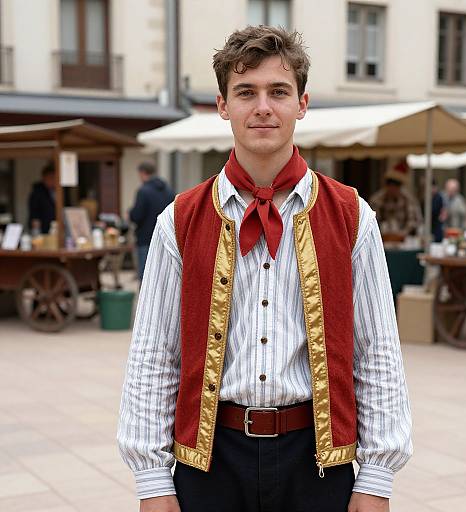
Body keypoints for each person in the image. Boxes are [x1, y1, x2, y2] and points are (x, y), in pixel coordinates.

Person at [118, 26, 412, 512]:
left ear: (302, 103)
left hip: (317, 459)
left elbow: (377, 349)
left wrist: (377, 476)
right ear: (222, 105)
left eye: (278, 91)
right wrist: (152, 482)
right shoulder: (180, 219)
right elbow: (154, 354)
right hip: (209, 461)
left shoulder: (352, 215)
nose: (262, 107)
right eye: (246, 92)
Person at [128, 161, 174, 280]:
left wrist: (130, 213)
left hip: (145, 239)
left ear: (143, 173)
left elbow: (136, 216)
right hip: (166, 238)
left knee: (145, 276)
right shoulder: (169, 191)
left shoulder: (143, 191)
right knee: (162, 277)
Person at [369, 160, 423, 241]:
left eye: (395, 186)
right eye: (390, 185)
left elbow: (413, 221)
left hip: (403, 240)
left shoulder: (408, 200)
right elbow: (373, 221)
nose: (392, 189)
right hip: (382, 239)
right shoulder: (377, 200)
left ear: (400, 187)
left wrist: (403, 233)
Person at [28, 163, 55, 234]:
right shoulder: (37, 192)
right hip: (43, 229)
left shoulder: (60, 191)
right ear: (44, 178)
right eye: (50, 178)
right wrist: (37, 233)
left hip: (56, 229)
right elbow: (34, 214)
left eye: (55, 178)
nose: (53, 181)